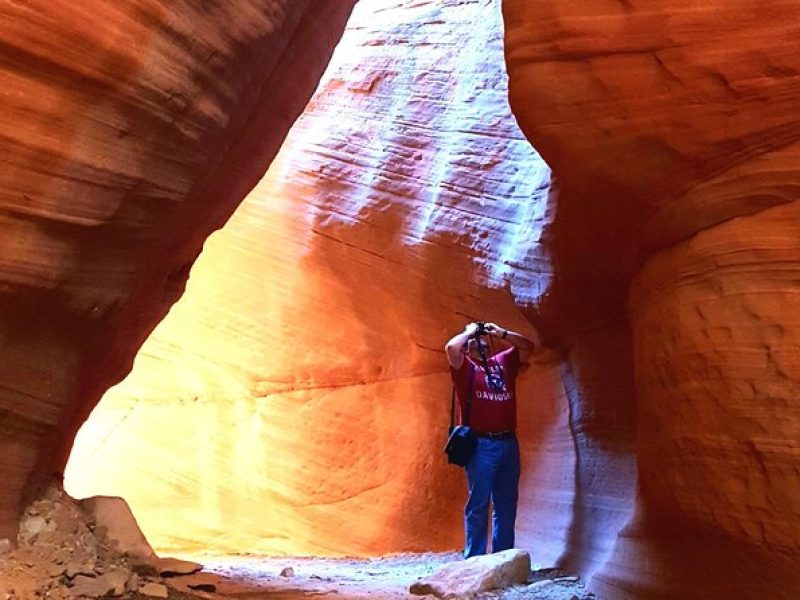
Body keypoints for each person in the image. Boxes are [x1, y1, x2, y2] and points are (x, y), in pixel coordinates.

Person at [444, 321, 538, 558]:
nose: (482, 347)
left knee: (506, 504)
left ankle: (502, 559)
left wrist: (502, 333)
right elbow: (451, 349)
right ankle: (474, 560)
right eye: (476, 345)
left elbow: (529, 347)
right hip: (481, 445)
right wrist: (469, 332)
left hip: (508, 442)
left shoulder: (504, 362)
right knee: (479, 503)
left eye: (485, 344)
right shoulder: (465, 369)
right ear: (468, 349)